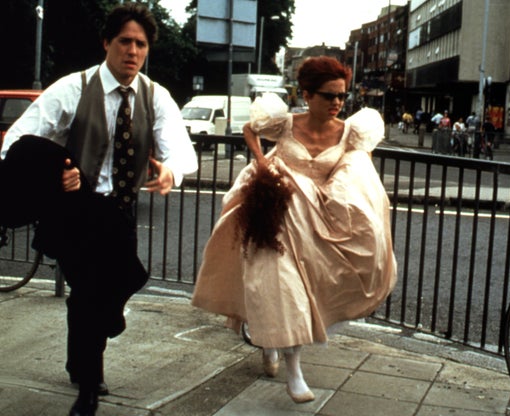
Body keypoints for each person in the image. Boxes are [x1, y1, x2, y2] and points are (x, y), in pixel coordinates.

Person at [0, 3, 198, 415]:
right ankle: (89, 388)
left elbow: (182, 152)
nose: (132, 51)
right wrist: (54, 174)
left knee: (125, 279)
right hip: (76, 211)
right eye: (124, 41)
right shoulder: (73, 88)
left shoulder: (154, 96)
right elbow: (18, 142)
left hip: (120, 211)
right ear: (106, 43)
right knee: (90, 293)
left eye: (140, 44)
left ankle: (87, 351)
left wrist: (171, 174)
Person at [192, 56, 397, 404]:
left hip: (320, 221)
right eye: (327, 95)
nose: (336, 103)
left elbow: (361, 163)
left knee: (308, 289)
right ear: (306, 94)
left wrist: (345, 186)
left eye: (341, 96)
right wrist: (261, 163)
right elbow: (249, 130)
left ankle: (268, 341)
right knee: (282, 286)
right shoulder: (284, 123)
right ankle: (294, 370)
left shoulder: (350, 132)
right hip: (279, 217)